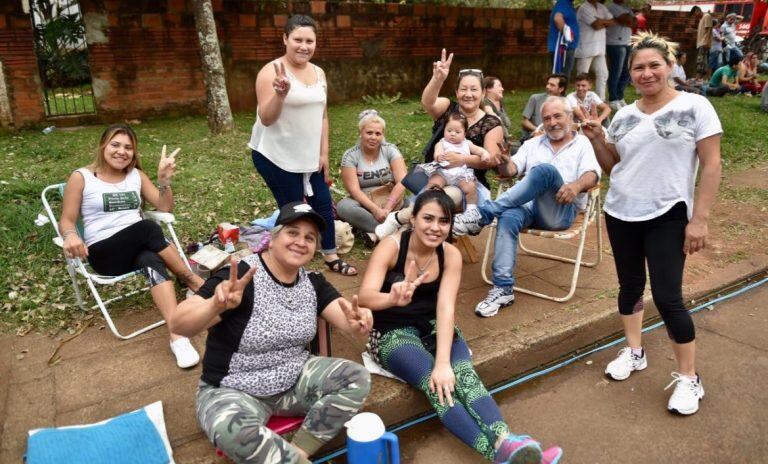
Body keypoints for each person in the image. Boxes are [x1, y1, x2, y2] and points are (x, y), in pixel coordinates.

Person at [358, 189, 563, 464]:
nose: (435, 227)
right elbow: (365, 296)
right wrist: (392, 297)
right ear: (414, 218)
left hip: (431, 326)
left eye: (443, 221)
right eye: (428, 218)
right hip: (392, 332)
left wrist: (444, 362)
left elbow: (445, 309)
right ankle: (504, 455)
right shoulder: (392, 246)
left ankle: (504, 442)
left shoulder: (450, 255)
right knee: (436, 385)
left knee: (462, 374)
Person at [582, 32, 722, 416]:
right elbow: (614, 167)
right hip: (621, 211)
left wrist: (700, 220)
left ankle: (689, 377)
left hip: (668, 213)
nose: (646, 73)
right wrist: (597, 139)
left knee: (667, 296)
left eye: (653, 65)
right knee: (629, 286)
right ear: (630, 74)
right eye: (638, 67)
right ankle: (634, 351)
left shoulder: (696, 106)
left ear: (670, 66)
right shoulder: (624, 115)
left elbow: (711, 165)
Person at [170, 202, 373, 464]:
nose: (301, 242)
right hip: (235, 388)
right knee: (232, 432)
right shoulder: (241, 276)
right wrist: (214, 305)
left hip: (295, 381)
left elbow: (347, 320)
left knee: (356, 377)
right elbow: (179, 324)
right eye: (292, 232)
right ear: (272, 238)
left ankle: (299, 453)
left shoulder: (312, 282)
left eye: (310, 238)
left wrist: (359, 322)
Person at [59, 124, 203, 368]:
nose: (121, 151)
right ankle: (191, 280)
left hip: (139, 246)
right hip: (104, 253)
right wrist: (71, 235)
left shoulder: (136, 176)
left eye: (128, 147)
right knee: (147, 228)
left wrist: (164, 182)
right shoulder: (81, 177)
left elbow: (164, 208)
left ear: (134, 153)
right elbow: (67, 219)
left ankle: (177, 335)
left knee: (151, 259)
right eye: (115, 144)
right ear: (103, 145)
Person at [453, 97, 600, 317]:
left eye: (557, 116)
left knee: (544, 171)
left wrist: (577, 185)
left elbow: (593, 174)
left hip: (560, 211)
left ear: (570, 117)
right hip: (529, 209)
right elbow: (512, 170)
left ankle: (482, 214)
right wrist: (504, 160)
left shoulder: (582, 144)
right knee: (509, 215)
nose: (552, 122)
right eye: (547, 118)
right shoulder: (532, 144)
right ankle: (502, 288)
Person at [248, 15, 357, 276]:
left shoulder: (319, 73)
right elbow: (266, 117)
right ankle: (291, 265)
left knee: (322, 204)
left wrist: (323, 153)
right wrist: (280, 94)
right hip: (276, 155)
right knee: (295, 210)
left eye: (310, 41)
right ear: (285, 39)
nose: (303, 46)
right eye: (298, 39)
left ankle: (330, 256)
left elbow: (323, 115)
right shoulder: (270, 72)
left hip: (309, 156)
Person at [375, 50, 506, 239]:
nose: (468, 94)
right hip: (435, 176)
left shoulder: (491, 123)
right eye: (463, 89)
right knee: (435, 196)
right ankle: (403, 238)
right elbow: (427, 102)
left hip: (468, 184)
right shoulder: (447, 108)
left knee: (439, 199)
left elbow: (491, 159)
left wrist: (461, 159)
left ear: (483, 93)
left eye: (474, 89)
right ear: (456, 91)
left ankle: (399, 219)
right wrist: (438, 79)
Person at [337, 109, 408, 244]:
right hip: (364, 202)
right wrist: (375, 210)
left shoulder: (390, 150)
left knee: (414, 205)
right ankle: (397, 230)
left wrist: (387, 208)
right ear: (360, 133)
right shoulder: (350, 155)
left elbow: (402, 182)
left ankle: (375, 232)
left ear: (383, 135)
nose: (373, 137)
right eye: (369, 133)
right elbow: (354, 190)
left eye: (378, 133)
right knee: (343, 207)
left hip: (390, 199)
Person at [428, 112, 491, 206]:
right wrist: (438, 155)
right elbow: (437, 152)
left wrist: (484, 153)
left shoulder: (467, 143)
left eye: (457, 132)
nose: (452, 134)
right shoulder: (442, 143)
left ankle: (471, 209)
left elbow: (478, 150)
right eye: (449, 130)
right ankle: (427, 201)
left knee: (470, 187)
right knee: (434, 182)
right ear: (444, 130)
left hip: (461, 174)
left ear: (464, 133)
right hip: (443, 172)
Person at [575, 0, 614, 101]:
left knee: (603, 74)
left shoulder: (601, 7)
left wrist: (601, 21)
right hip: (585, 47)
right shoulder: (584, 8)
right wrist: (604, 22)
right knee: (581, 76)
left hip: (600, 47)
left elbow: (612, 21)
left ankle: (600, 101)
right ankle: (580, 101)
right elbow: (596, 25)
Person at [521, 73, 568, 143]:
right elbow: (524, 121)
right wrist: (538, 130)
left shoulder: (566, 102)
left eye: (552, 85)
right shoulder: (535, 98)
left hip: (556, 136)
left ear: (561, 89)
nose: (547, 86)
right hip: (535, 136)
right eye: (548, 84)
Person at [606, 0, 634, 110]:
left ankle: (620, 96)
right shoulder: (612, 7)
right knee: (616, 72)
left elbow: (633, 22)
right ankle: (613, 99)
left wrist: (628, 18)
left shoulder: (626, 8)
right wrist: (628, 18)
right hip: (615, 44)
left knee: (627, 71)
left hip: (627, 42)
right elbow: (628, 20)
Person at [548, 0, 580, 79]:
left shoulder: (567, 4)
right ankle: (561, 91)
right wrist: (568, 34)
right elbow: (557, 18)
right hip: (563, 48)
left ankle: (561, 91)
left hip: (566, 47)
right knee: (562, 78)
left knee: (563, 76)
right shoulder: (563, 3)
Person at [693, 6, 712, 80]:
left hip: (704, 43)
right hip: (701, 43)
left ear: (698, 10)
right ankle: (702, 78)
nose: (695, 16)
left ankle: (698, 78)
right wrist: (693, 30)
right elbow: (703, 31)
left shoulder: (707, 16)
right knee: (703, 61)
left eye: (695, 14)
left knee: (700, 60)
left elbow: (709, 30)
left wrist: (706, 42)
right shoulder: (701, 19)